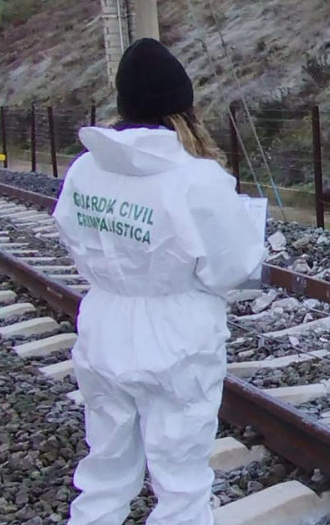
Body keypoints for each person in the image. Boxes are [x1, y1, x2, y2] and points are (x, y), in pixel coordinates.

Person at [51, 38, 265, 524]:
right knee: (181, 479)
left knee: (104, 464)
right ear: (182, 110)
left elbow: (69, 232)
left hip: (105, 323)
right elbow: (232, 269)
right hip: (176, 336)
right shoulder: (198, 180)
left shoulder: (85, 169)